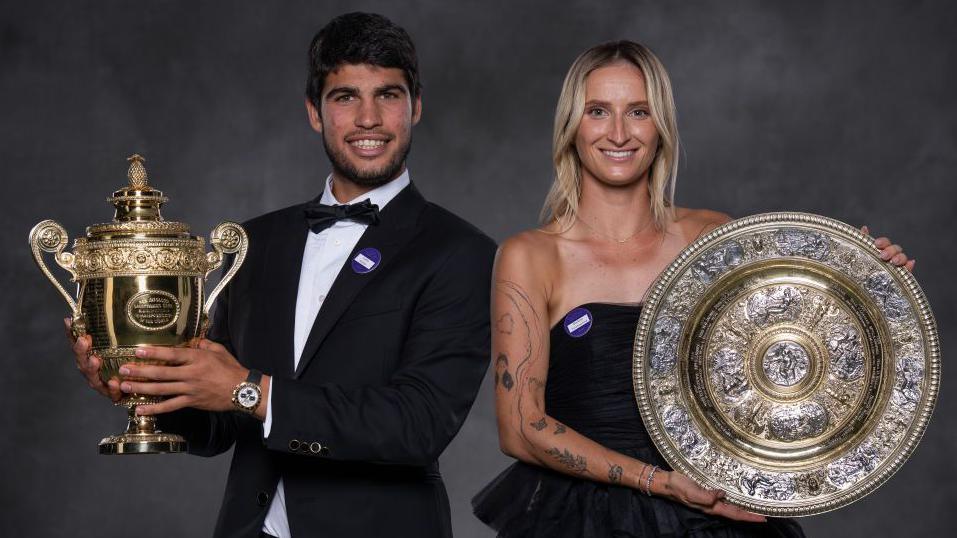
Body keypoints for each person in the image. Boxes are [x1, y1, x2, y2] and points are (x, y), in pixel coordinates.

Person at [69, 12, 496, 538]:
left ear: (416, 107)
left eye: (388, 95)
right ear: (315, 112)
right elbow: (218, 420)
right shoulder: (255, 243)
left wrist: (250, 390)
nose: (369, 118)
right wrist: (144, 384)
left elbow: (418, 424)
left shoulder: (460, 252)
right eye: (345, 97)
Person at [472, 40, 913, 537]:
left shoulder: (713, 237)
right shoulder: (531, 256)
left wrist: (868, 279)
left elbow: (792, 350)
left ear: (660, 126)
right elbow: (521, 428)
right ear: (573, 127)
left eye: (638, 111)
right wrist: (659, 482)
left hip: (716, 515)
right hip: (587, 519)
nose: (618, 132)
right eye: (598, 111)